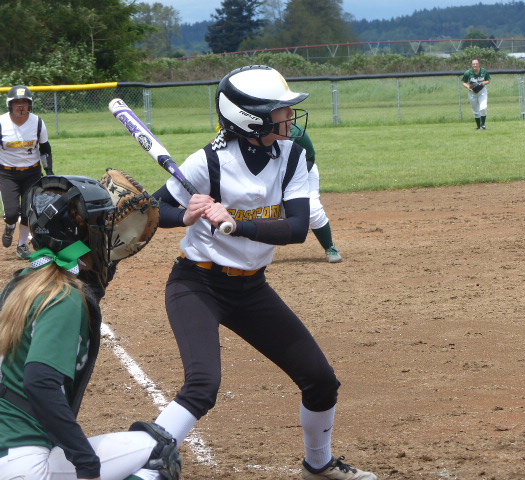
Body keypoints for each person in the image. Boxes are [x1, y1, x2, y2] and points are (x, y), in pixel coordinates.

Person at [129, 65, 376, 480]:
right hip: (197, 284)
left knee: (321, 381)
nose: (289, 117)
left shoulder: (293, 156)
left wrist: (235, 223)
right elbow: (151, 212)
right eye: (279, 110)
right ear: (250, 119)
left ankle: (318, 465)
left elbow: (297, 229)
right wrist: (185, 215)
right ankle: (142, 468)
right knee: (203, 385)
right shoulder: (208, 161)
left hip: (252, 290)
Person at [0, 175, 181, 480]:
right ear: (84, 236)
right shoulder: (63, 297)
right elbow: (40, 382)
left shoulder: (20, 284)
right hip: (23, 463)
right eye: (101, 227)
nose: (107, 235)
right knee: (158, 452)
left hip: (7, 449)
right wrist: (87, 466)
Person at [0, 85, 55, 260]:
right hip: (7, 173)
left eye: (25, 102)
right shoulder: (1, 123)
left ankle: (22, 245)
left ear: (30, 105)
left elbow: (45, 148)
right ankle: (10, 226)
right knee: (11, 213)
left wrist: (49, 171)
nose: (21, 106)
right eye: (17, 103)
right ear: (10, 105)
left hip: (32, 173)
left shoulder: (37, 122)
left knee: (28, 211)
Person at [291, 123, 342, 263]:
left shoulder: (295, 131)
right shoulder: (253, 132)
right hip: (270, 175)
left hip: (301, 172)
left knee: (311, 208)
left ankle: (329, 246)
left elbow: (310, 158)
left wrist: (292, 179)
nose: (289, 116)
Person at [461, 59, 491, 130]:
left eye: (476, 63)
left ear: (479, 64)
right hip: (472, 92)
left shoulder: (484, 71)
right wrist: (468, 87)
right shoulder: (468, 72)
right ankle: (478, 126)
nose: (475, 65)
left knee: (483, 107)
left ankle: (483, 125)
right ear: (472, 65)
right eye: (473, 64)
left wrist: (482, 83)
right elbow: (464, 82)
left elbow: (488, 80)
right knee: (476, 110)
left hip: (482, 91)